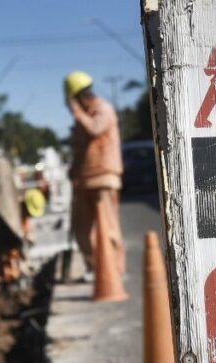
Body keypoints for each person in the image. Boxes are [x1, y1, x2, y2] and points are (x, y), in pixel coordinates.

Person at [64, 70, 125, 284]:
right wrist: (73, 169)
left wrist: (77, 113)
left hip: (104, 177)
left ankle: (115, 269)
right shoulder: (80, 119)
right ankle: (93, 267)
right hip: (83, 181)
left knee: (107, 227)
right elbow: (79, 148)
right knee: (82, 230)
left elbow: (95, 130)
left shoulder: (103, 110)